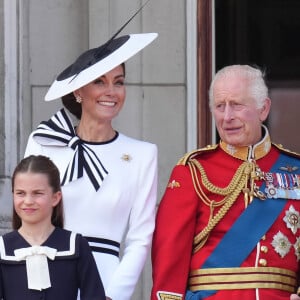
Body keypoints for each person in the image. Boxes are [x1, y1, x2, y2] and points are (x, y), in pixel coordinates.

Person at [24, 32, 158, 300]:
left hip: (105, 282)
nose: (111, 92)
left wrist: (113, 295)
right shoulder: (43, 143)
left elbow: (140, 238)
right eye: (99, 81)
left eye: (118, 82)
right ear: (78, 91)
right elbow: (27, 221)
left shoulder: (143, 154)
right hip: (46, 277)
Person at [151, 64, 300, 300]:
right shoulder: (193, 171)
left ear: (264, 109)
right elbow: (169, 262)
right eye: (220, 106)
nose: (227, 116)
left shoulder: (295, 170)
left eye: (237, 105)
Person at [0, 155, 106, 300]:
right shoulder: (2, 248)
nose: (28, 201)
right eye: (20, 193)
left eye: (37, 193)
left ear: (55, 198)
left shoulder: (76, 245)